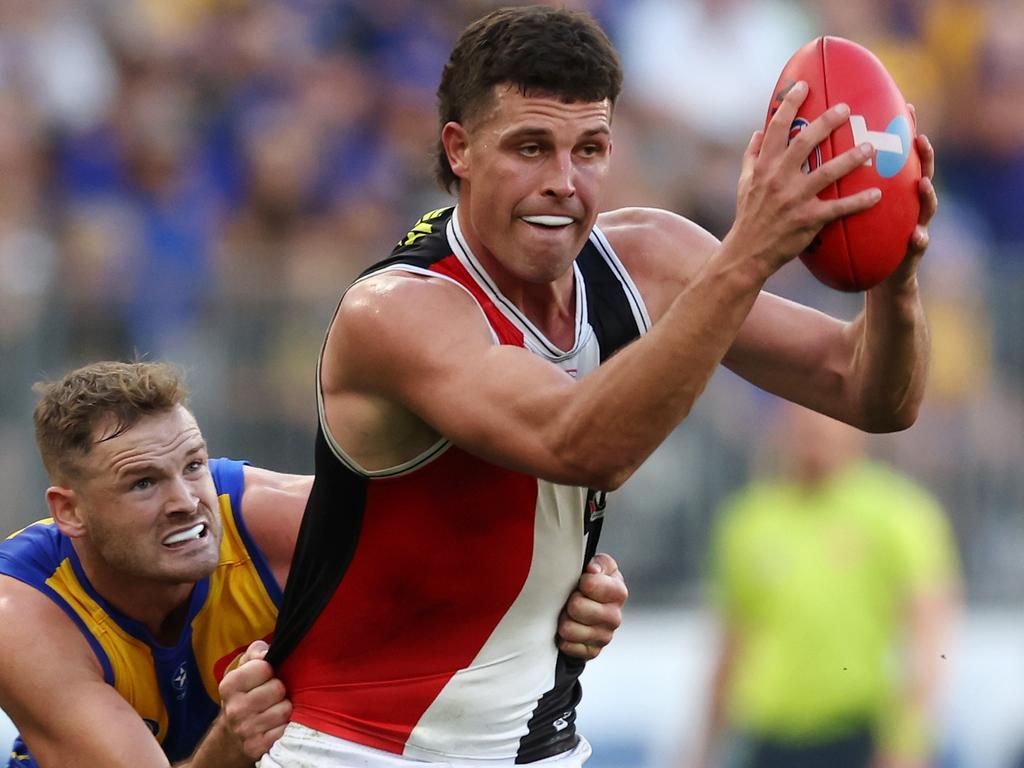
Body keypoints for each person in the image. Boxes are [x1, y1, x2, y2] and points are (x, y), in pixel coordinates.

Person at [260, 5, 938, 767]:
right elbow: (581, 443)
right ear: (460, 150)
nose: (564, 183)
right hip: (361, 752)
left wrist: (894, 267)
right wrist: (749, 251)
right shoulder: (399, 310)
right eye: (529, 148)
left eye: (590, 149)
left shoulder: (648, 258)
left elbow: (875, 396)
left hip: (541, 748)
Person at [0, 360, 628, 768]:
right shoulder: (21, 615)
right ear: (70, 511)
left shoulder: (264, 519)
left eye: (193, 465)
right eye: (142, 484)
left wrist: (577, 595)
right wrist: (228, 746)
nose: (185, 502)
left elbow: (472, 558)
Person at [692, 404, 960, 768]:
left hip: (857, 737)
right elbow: (731, 646)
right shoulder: (749, 519)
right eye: (802, 421)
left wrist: (908, 741)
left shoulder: (899, 513)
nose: (813, 432)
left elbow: (930, 639)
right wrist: (703, 749)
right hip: (768, 738)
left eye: (824, 419)